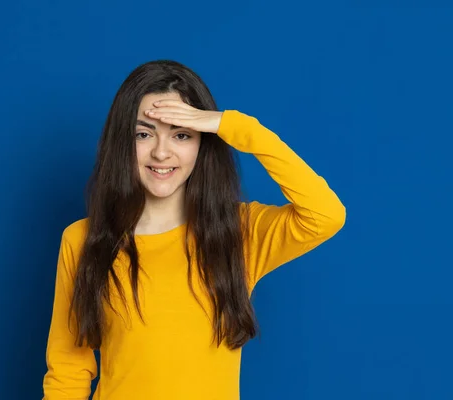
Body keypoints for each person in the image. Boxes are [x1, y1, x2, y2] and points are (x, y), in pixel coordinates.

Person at [42, 60, 346, 400]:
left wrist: (235, 126)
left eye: (181, 134)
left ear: (204, 142)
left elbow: (325, 214)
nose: (161, 152)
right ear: (121, 143)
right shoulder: (82, 240)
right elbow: (68, 370)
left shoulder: (239, 233)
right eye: (143, 134)